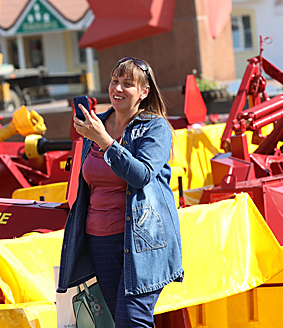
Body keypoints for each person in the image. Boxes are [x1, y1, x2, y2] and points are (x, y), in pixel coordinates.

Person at [57, 57, 183, 327]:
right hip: (99, 240)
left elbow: (141, 176)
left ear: (144, 92)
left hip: (141, 243)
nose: (118, 88)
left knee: (132, 320)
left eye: (128, 84)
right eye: (115, 81)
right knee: (119, 320)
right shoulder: (97, 123)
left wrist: (105, 141)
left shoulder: (154, 127)